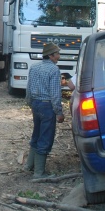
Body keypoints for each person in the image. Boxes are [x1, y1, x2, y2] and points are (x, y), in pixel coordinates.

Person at [24, 43, 65, 179]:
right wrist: (59, 112)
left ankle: (28, 166)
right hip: (47, 106)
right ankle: (39, 173)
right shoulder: (54, 70)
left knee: (36, 133)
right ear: (51, 55)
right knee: (45, 137)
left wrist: (30, 103)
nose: (59, 56)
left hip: (36, 104)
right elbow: (55, 94)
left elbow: (28, 88)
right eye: (57, 53)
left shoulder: (34, 67)